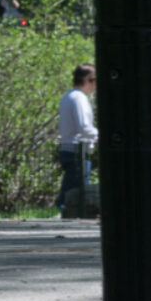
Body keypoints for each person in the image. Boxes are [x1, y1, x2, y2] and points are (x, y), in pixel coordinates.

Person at [55, 63, 97, 215]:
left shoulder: (68, 96)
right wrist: (98, 136)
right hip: (77, 150)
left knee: (71, 187)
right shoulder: (79, 99)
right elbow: (84, 126)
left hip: (67, 148)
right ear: (87, 80)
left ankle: (64, 210)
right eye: (95, 81)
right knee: (76, 191)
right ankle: (64, 212)